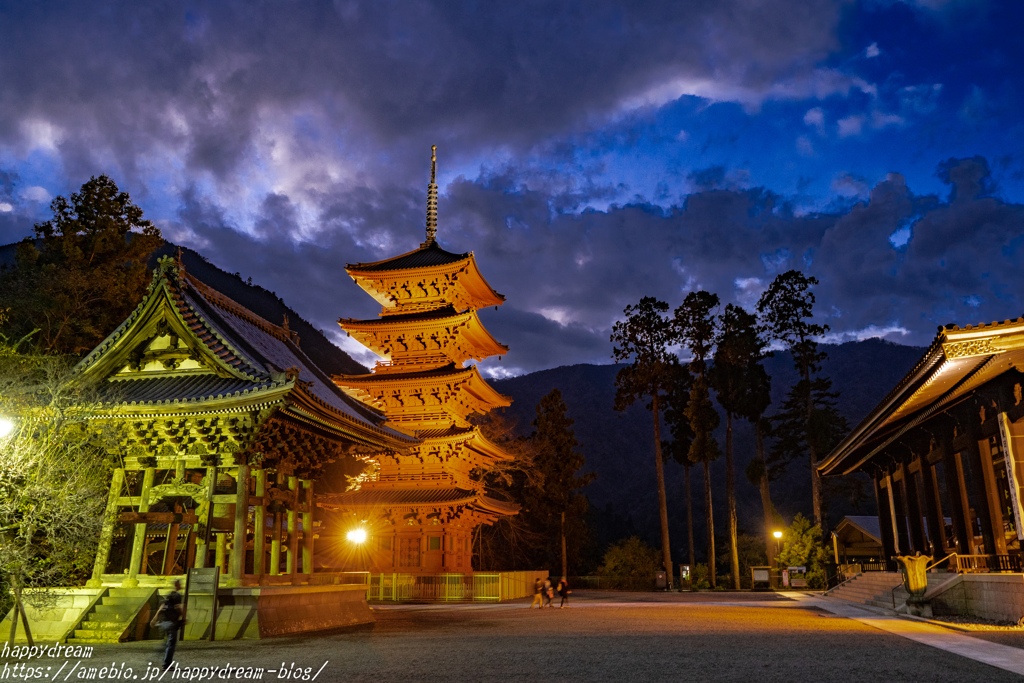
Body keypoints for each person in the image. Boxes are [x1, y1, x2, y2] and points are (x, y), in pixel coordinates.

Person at [159, 579, 184, 671]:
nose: (181, 585)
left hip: (165, 622)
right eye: (180, 584)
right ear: (177, 585)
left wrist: (155, 619)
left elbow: (162, 607)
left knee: (167, 643)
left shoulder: (168, 595)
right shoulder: (177, 595)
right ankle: (166, 665)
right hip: (172, 622)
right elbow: (178, 607)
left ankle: (166, 662)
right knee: (171, 644)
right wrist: (183, 616)